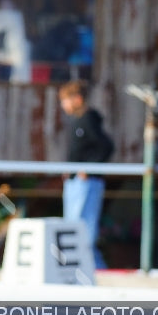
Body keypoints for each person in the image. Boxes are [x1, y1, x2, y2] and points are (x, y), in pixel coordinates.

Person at [59, 80, 113, 269]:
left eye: (66, 100)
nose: (64, 105)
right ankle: (77, 267)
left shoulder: (89, 119)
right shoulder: (77, 121)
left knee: (84, 231)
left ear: (78, 99)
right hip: (75, 182)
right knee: (72, 227)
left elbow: (106, 146)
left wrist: (88, 169)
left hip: (87, 182)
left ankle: (94, 269)